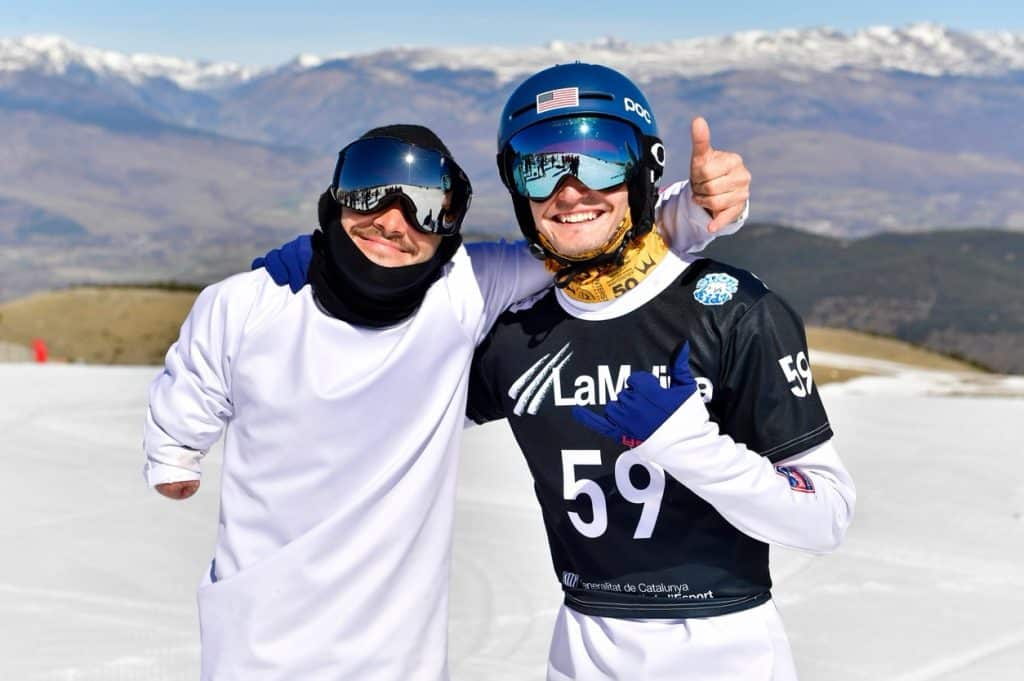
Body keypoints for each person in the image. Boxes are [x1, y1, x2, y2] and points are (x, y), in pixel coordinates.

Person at [144, 119, 752, 679]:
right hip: (257, 647)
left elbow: (591, 244)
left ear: (451, 228)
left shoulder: (462, 289)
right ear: (334, 199)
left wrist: (701, 206)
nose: (393, 220)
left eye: (428, 208)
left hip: (397, 657)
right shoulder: (246, 304)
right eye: (368, 192)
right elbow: (193, 384)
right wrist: (174, 450)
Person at [462, 63, 856, 680]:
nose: (569, 191)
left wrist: (685, 443)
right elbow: (397, 423)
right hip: (581, 651)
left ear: (644, 171)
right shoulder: (517, 334)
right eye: (539, 166)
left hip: (726, 651)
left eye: (600, 162)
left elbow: (826, 515)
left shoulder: (733, 312)